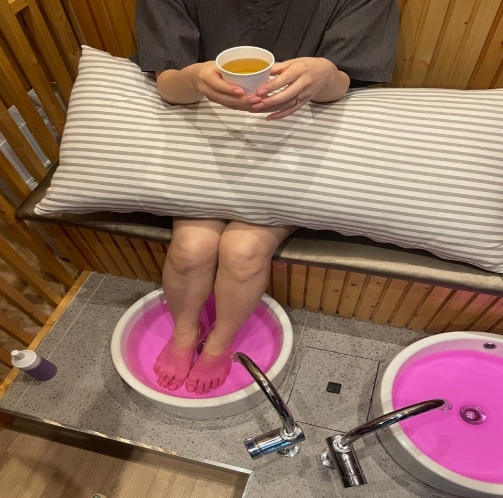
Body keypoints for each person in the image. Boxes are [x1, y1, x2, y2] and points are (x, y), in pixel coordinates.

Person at [132, 0, 399, 396]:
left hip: (292, 149)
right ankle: (185, 334)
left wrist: (325, 74)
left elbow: (347, 84)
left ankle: (219, 343)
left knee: (243, 251)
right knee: (190, 248)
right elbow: (169, 85)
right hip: (209, 150)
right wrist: (194, 78)